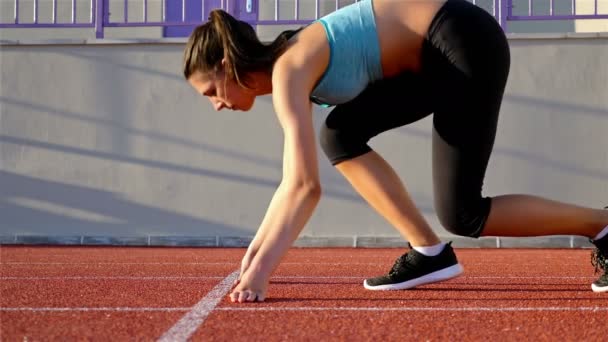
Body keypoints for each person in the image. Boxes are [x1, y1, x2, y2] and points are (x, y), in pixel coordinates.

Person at [182, 0, 608, 302]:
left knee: (464, 214)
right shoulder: (291, 64)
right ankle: (429, 252)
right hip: (434, 57)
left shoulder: (290, 68)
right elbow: (290, 182)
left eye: (210, 92)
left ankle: (603, 226)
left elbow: (304, 187)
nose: (215, 103)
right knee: (340, 133)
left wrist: (260, 274)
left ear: (227, 67)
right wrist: (252, 257)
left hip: (461, 40)